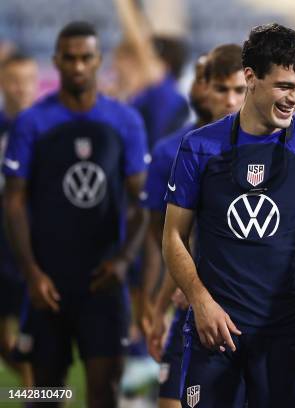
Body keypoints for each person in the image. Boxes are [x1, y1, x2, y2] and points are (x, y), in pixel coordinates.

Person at [162, 23, 295, 407]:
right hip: (214, 332)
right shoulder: (199, 147)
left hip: (286, 335)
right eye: (284, 85)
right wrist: (200, 300)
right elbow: (173, 238)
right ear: (251, 77)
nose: (294, 97)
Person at [2, 21, 148, 408]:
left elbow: (142, 201)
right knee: (46, 396)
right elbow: (13, 201)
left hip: (103, 283)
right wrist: (31, 273)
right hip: (47, 284)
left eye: (86, 58)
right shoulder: (31, 122)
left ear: (98, 60)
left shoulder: (125, 121)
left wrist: (122, 261)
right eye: (70, 58)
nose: (78, 66)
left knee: (104, 394)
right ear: (57, 62)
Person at [142, 43, 246, 408]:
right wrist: (161, 304)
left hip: (251, 306)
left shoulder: (281, 149)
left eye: (239, 90)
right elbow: (172, 236)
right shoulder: (179, 151)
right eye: (219, 86)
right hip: (193, 303)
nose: (230, 99)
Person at [0, 52, 38, 387]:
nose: (21, 88)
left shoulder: (47, 127)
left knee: (32, 344)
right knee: (5, 345)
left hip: (33, 250)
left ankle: (43, 395)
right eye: (14, 80)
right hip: (1, 248)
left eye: (28, 81)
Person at [113, 0, 189, 149]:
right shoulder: (151, 93)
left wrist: (124, 5)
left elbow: (138, 40)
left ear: (164, 65)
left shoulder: (163, 92)